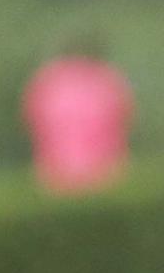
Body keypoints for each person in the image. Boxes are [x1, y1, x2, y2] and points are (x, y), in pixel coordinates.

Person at [22, 39, 134, 194]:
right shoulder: (106, 79)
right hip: (104, 175)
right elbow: (124, 115)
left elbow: (32, 118)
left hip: (56, 175)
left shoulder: (48, 81)